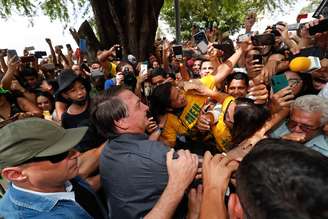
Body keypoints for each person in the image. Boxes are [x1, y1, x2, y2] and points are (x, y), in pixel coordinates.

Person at [91, 86, 199, 219]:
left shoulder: (107, 151)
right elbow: (200, 169)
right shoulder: (156, 155)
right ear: (121, 122)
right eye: (138, 105)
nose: (146, 107)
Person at [0, 118, 108, 218]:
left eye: (69, 147)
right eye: (60, 154)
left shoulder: (56, 179)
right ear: (16, 174)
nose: (76, 153)